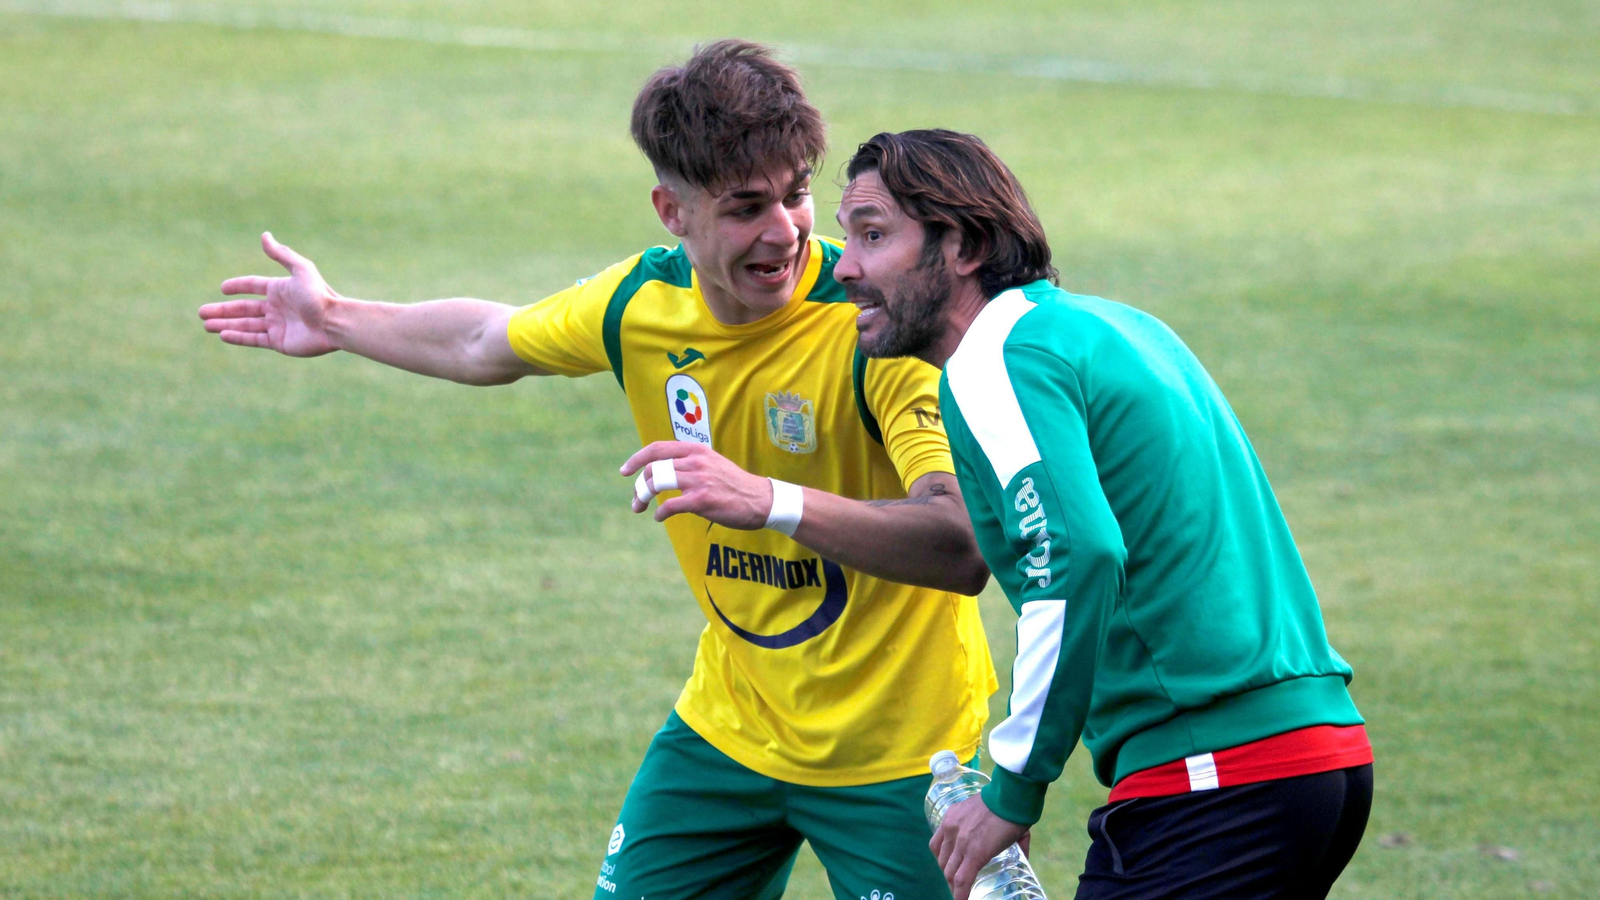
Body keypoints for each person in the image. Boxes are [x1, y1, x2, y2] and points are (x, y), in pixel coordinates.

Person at [198, 44, 998, 900]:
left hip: (901, 753)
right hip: (731, 729)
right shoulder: (641, 306)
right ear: (671, 210)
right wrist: (336, 316)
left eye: (797, 192)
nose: (785, 231)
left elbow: (960, 544)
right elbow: (484, 342)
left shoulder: (873, 323)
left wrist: (767, 501)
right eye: (745, 207)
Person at [833, 128, 1374, 900]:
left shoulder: (998, 359)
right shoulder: (1119, 327)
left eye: (874, 235)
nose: (846, 265)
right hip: (1319, 759)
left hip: (1216, 780)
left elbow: (1073, 553)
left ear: (963, 246)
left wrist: (1013, 789)